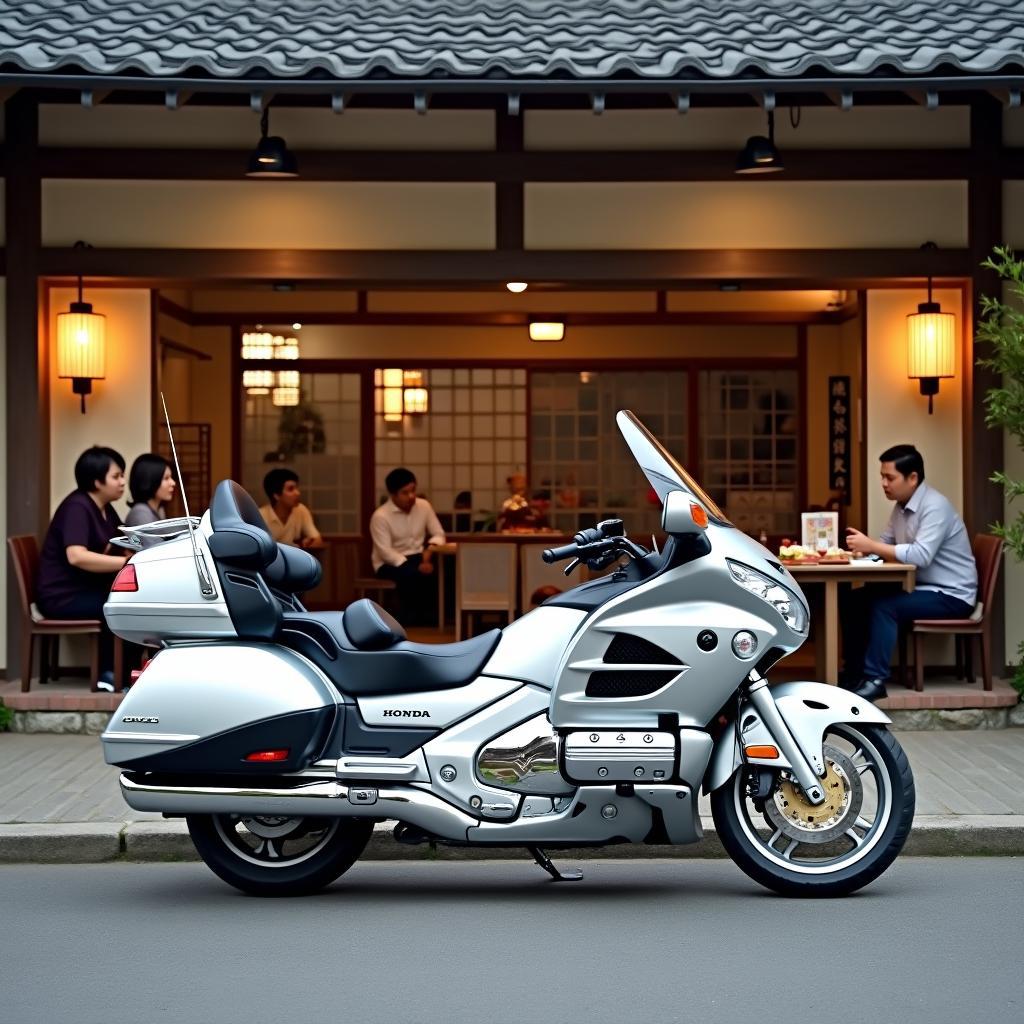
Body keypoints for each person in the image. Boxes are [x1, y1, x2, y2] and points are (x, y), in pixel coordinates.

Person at [841, 444, 977, 703]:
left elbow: (921, 556)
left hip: (952, 594)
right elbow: (885, 545)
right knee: (853, 598)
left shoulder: (936, 506)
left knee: (884, 606)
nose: (883, 483)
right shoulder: (901, 506)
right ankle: (853, 673)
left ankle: (875, 680)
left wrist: (872, 546)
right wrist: (863, 554)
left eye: (889, 477)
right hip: (923, 588)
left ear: (912, 478)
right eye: (882, 476)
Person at [36, 446, 130, 692]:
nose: (122, 482)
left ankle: (124, 670)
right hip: (60, 596)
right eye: (116, 476)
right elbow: (76, 556)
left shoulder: (105, 508)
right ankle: (108, 674)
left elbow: (121, 543)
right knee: (116, 607)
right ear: (97, 481)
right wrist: (125, 564)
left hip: (83, 589)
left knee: (128, 602)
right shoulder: (77, 506)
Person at [370, 468, 446, 625]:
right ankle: (408, 620)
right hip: (390, 562)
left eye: (413, 491)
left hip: (420, 555)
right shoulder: (381, 516)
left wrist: (429, 551)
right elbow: (385, 552)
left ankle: (438, 618)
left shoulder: (424, 506)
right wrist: (415, 565)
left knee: (446, 570)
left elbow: (439, 534)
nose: (411, 496)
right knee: (410, 574)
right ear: (393, 494)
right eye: (405, 493)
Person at [258, 468, 323, 549]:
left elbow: (317, 539)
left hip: (293, 559)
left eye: (296, 488)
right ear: (276, 495)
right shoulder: (260, 516)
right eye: (291, 489)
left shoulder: (301, 510)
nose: (297, 493)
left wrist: (310, 542)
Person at [125, 453, 176, 526]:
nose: (173, 483)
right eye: (166, 478)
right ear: (150, 480)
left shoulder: (159, 510)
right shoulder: (141, 513)